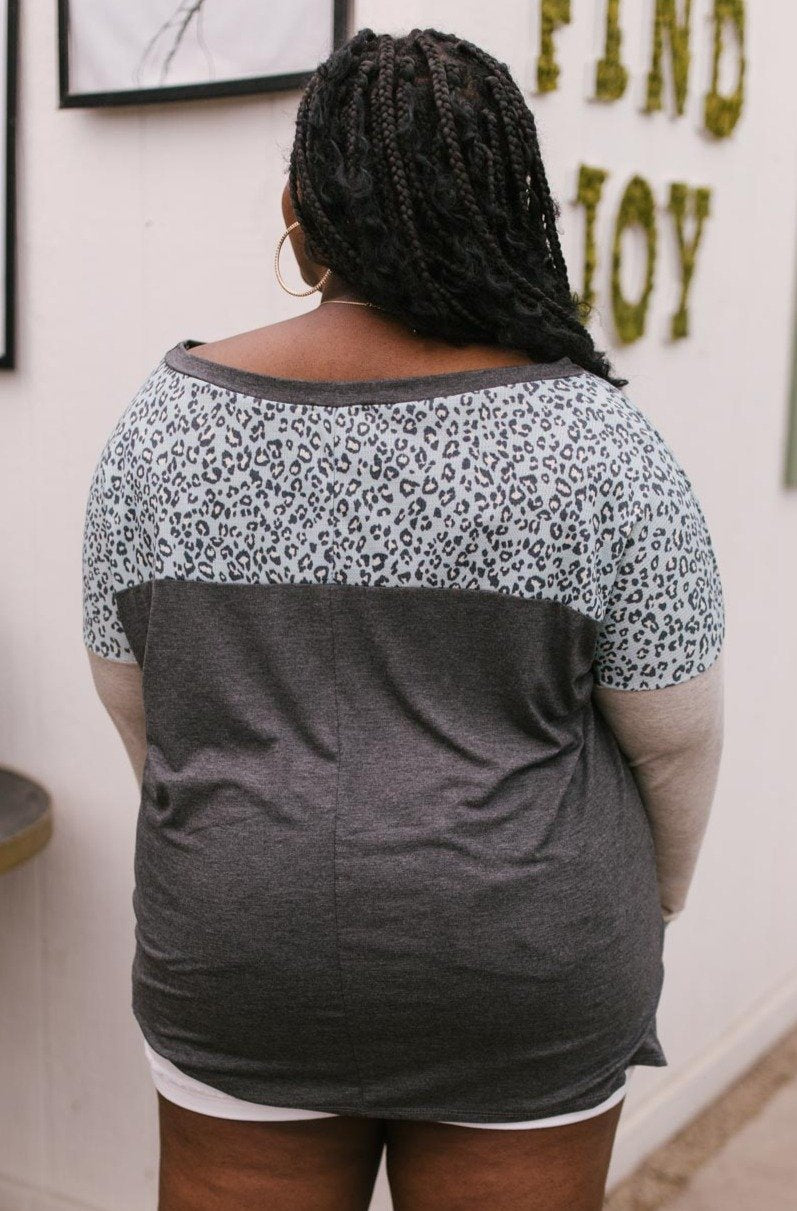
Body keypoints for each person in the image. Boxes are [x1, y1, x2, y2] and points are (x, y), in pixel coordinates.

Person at [81, 25, 725, 1211]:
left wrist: (243, 836)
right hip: (524, 962)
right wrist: (651, 902)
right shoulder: (597, 440)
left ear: (299, 212)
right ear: (513, 209)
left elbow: (142, 704)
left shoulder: (162, 423)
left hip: (238, 953)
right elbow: (675, 743)